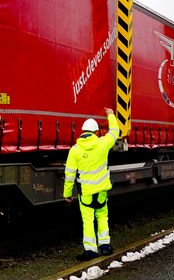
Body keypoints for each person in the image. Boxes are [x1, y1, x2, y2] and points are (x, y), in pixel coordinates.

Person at [63, 107, 119, 261]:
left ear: (82, 132)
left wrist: (67, 194)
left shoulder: (74, 150)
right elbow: (115, 132)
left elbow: (69, 175)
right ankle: (105, 246)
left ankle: (90, 251)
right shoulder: (103, 144)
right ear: (95, 132)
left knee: (88, 220)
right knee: (102, 216)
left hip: (86, 192)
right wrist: (111, 115)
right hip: (101, 190)